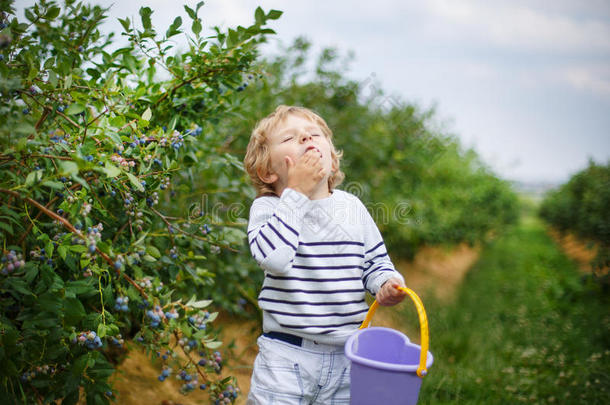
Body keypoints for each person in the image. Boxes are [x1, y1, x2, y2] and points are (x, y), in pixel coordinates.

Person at [243, 105, 407, 404]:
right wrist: (296, 194)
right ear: (267, 171)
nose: (306, 138)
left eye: (314, 134)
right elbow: (275, 259)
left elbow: (374, 263)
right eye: (290, 138)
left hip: (349, 357)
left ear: (332, 160)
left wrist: (385, 282)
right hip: (286, 355)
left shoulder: (351, 208)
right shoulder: (269, 209)